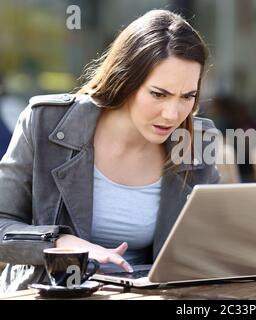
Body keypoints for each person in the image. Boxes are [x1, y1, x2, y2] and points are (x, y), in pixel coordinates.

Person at [0, 10, 220, 293]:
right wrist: (59, 243)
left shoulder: (195, 141)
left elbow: (211, 242)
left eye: (187, 97)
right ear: (126, 81)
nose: (172, 113)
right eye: (158, 94)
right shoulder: (45, 122)